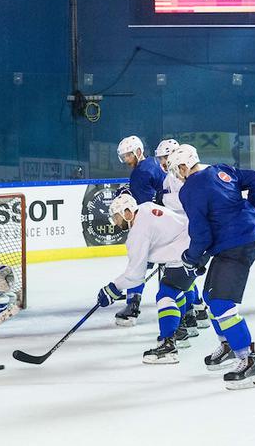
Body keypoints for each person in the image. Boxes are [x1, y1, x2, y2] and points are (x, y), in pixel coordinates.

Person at [168, 143, 255, 390]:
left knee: (221, 304)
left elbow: (200, 234)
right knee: (209, 298)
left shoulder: (189, 189)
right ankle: (229, 346)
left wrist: (191, 258)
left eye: (176, 170)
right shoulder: (221, 169)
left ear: (183, 166)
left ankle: (248, 360)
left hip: (236, 246)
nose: (177, 176)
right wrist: (251, 207)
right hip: (241, 241)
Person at [95, 194, 198, 363]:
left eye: (117, 216)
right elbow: (161, 236)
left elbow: (135, 276)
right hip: (193, 246)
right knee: (175, 291)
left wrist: (112, 289)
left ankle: (168, 346)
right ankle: (179, 331)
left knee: (166, 296)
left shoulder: (138, 231)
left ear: (127, 212)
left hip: (184, 254)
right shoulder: (145, 208)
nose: (115, 221)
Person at [154, 138, 211, 328]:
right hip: (180, 231)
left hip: (186, 232)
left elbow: (185, 201)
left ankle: (186, 318)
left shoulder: (178, 176)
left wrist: (164, 199)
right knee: (185, 276)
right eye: (160, 158)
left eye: (165, 157)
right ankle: (197, 311)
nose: (162, 162)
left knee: (177, 279)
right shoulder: (169, 176)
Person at [112, 135, 167, 325]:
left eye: (128, 155)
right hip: (167, 221)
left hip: (155, 228)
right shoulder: (151, 164)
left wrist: (126, 194)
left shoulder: (140, 174)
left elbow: (141, 208)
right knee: (175, 268)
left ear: (138, 152)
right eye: (123, 157)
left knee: (138, 264)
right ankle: (196, 309)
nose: (126, 160)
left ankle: (132, 306)